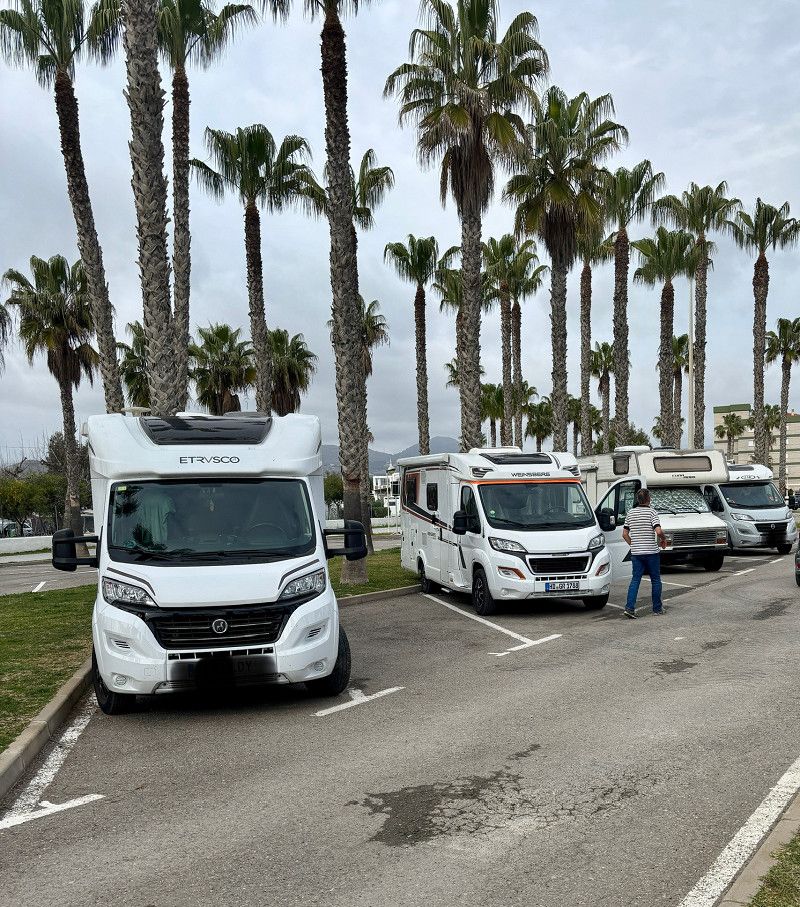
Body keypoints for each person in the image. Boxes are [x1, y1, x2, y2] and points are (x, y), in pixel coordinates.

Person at [622, 488, 668, 618]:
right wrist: (663, 539)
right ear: (649, 499)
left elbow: (624, 534)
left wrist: (633, 545)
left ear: (638, 499)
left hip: (636, 554)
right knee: (655, 580)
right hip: (651, 552)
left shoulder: (630, 513)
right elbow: (658, 531)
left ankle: (629, 608)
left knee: (635, 580)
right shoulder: (652, 512)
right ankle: (657, 609)